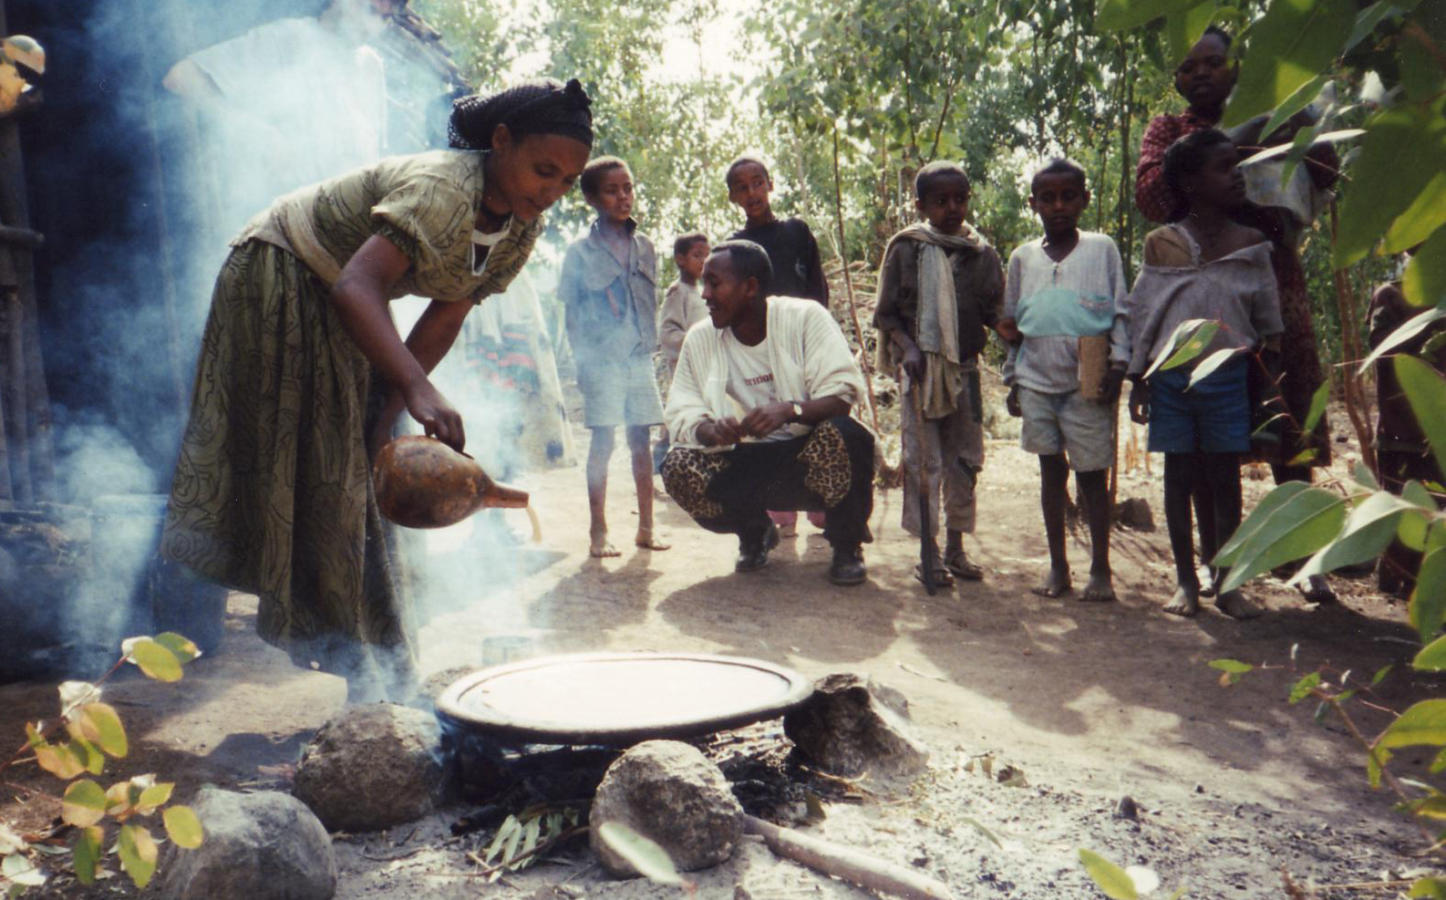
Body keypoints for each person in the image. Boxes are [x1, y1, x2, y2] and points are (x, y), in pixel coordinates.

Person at [160, 79, 594, 701]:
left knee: (360, 469)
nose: (549, 193)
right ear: (500, 141)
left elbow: (445, 317)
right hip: (280, 270)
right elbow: (355, 287)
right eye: (542, 171)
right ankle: (355, 664)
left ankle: (373, 663)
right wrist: (415, 386)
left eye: (564, 183)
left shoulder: (520, 232)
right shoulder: (443, 189)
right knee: (326, 474)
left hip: (340, 297)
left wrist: (391, 409)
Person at [1135, 24, 1339, 603]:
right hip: (1201, 291)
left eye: (1213, 62)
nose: (1199, 73)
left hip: (1274, 278)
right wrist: (1241, 137)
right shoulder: (1169, 130)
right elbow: (1153, 194)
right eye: (1186, 66)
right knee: (1205, 434)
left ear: (1237, 66)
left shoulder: (1284, 106)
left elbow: (1326, 172)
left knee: (1286, 408)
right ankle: (1212, 561)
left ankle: (1299, 555)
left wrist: (1300, 122)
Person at [1126, 129, 1281, 620]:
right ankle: (1186, 581)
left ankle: (1227, 579)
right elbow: (1145, 313)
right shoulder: (1163, 245)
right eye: (1222, 166)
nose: (1236, 174)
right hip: (1171, 378)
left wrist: (1269, 390)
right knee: (1179, 476)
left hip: (1229, 379)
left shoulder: (1252, 245)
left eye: (1237, 163)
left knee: (1224, 478)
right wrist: (1137, 377)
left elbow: (1268, 324)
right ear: (1190, 183)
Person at [661, 240, 874, 585]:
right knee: (678, 466)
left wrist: (791, 410)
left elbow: (842, 394)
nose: (705, 294)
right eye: (704, 283)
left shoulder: (805, 318)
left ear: (750, 288)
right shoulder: (700, 338)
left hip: (804, 455)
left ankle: (847, 545)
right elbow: (681, 408)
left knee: (848, 435)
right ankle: (754, 531)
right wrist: (707, 430)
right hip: (743, 460)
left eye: (714, 283)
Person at [1000, 158, 1129, 601]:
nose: (1058, 206)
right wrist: (1012, 378)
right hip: (1036, 378)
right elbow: (1012, 325)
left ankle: (1100, 569)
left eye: (1068, 196)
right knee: (1050, 472)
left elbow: (1120, 312)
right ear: (1032, 203)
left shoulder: (1102, 249)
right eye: (1048, 198)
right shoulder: (1022, 258)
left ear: (1084, 200)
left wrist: (1119, 364)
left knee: (1092, 475)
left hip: (1087, 377)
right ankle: (1058, 567)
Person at [873, 161, 1004, 586]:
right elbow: (887, 314)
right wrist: (908, 347)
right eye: (940, 201)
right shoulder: (907, 249)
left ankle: (955, 548)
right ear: (921, 205)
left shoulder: (982, 256)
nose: (952, 208)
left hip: (965, 373)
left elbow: (996, 314)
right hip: (920, 372)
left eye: (960, 199)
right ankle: (927, 555)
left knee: (964, 462)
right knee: (923, 460)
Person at [162, 0, 402, 215]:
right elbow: (182, 77)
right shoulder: (289, 37)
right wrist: (253, 129)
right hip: (277, 223)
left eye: (385, 17)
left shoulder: (372, 67)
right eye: (371, 9)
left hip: (339, 234)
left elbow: (370, 158)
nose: (373, 26)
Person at [559, 156, 670, 558]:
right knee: (603, 441)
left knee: (641, 439)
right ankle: (599, 532)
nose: (623, 197)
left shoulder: (645, 246)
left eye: (628, 188)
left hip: (638, 357)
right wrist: (582, 366)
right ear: (592, 198)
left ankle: (646, 527)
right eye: (612, 190)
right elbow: (571, 316)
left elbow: (648, 305)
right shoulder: (579, 254)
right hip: (601, 361)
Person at [726, 156, 831, 536]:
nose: (752, 192)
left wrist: (819, 339)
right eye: (742, 187)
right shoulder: (735, 247)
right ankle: (781, 508)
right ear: (733, 196)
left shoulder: (796, 233)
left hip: (805, 344)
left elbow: (818, 289)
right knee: (772, 426)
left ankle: (821, 504)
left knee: (811, 419)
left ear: (770, 185)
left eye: (758, 183)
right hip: (762, 353)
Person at [1368, 269, 1446, 597]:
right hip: (1401, 429)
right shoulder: (1391, 296)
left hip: (1436, 429)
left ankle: (1420, 583)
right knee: (1404, 505)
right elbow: (1381, 349)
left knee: (1434, 507)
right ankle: (1396, 575)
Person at [654, 231, 711, 470]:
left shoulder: (702, 292)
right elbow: (667, 333)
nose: (703, 262)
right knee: (682, 412)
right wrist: (694, 343)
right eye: (697, 256)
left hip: (705, 367)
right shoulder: (678, 292)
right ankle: (664, 461)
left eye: (707, 256)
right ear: (680, 259)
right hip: (684, 367)